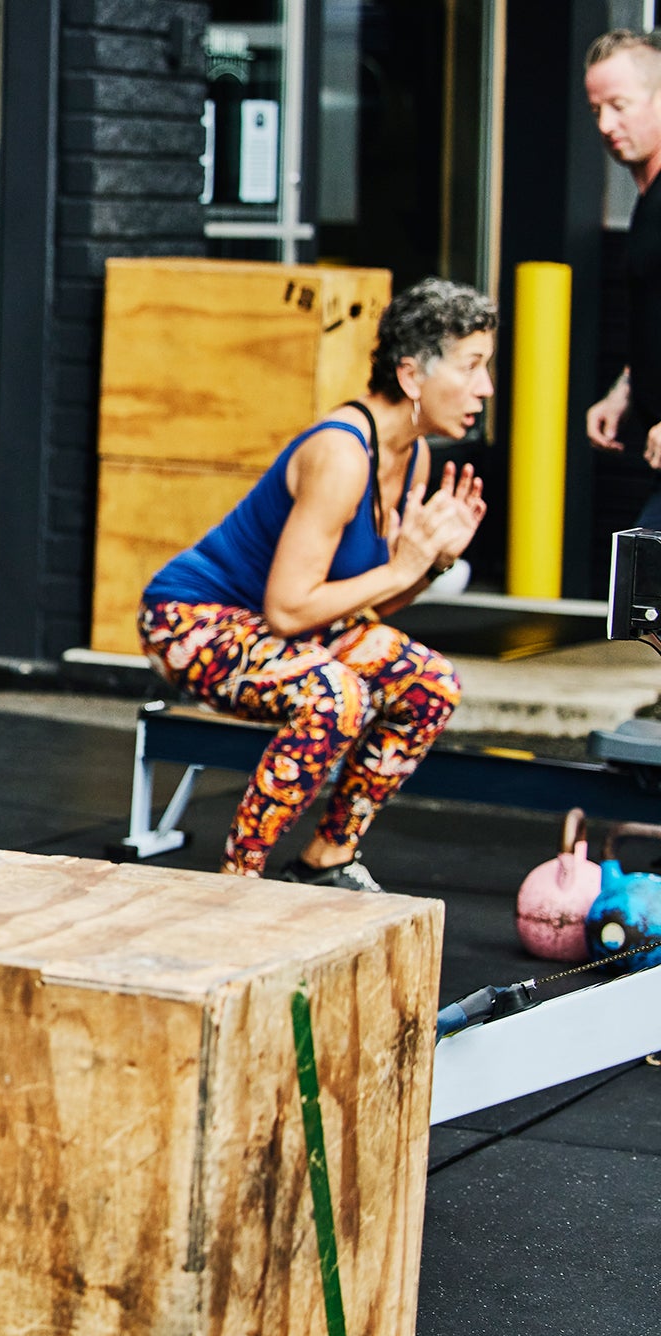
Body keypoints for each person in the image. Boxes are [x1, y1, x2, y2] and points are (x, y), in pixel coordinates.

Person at [138, 279, 493, 888]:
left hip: (288, 626)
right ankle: (237, 880)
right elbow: (287, 610)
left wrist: (428, 564)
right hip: (190, 620)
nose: (485, 388)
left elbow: (369, 601)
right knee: (337, 697)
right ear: (411, 377)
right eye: (472, 367)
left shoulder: (415, 458)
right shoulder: (342, 453)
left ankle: (327, 859)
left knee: (432, 683)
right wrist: (403, 567)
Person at [586, 29, 661, 527]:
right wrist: (626, 390)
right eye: (596, 110)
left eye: (619, 104)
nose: (606, 124)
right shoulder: (648, 201)